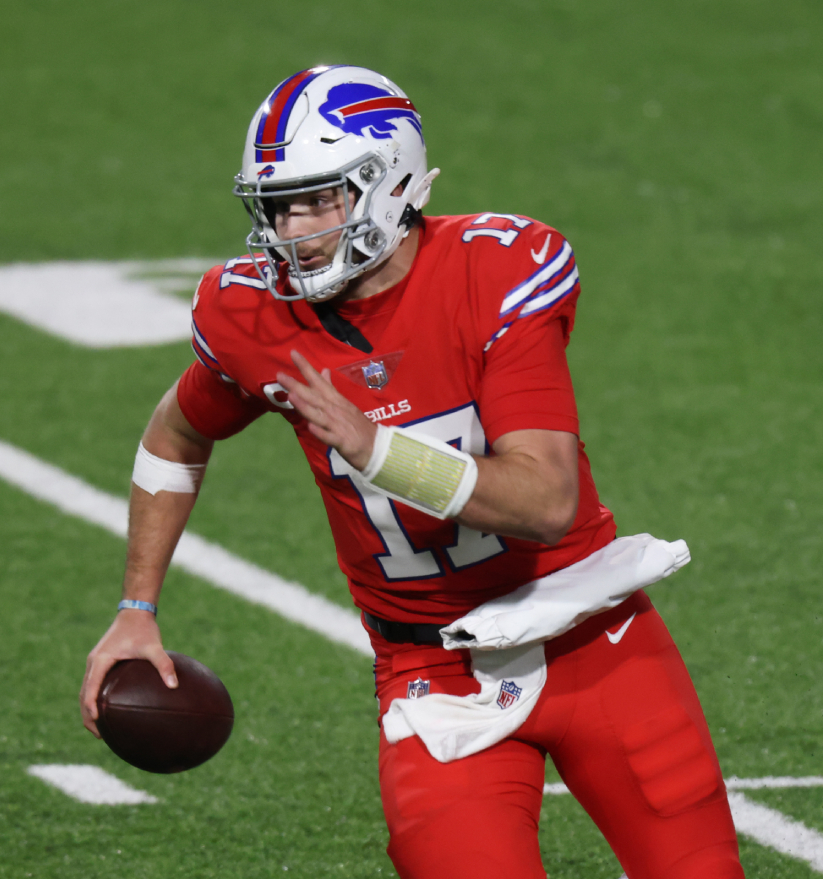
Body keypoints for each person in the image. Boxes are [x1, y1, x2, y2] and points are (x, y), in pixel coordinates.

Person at [79, 65, 744, 878]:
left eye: (318, 199)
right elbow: (176, 434)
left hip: (594, 639)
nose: (292, 228)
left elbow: (543, 502)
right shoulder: (251, 313)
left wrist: (375, 448)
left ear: (389, 184)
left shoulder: (496, 270)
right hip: (431, 672)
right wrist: (136, 606)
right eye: (276, 205)